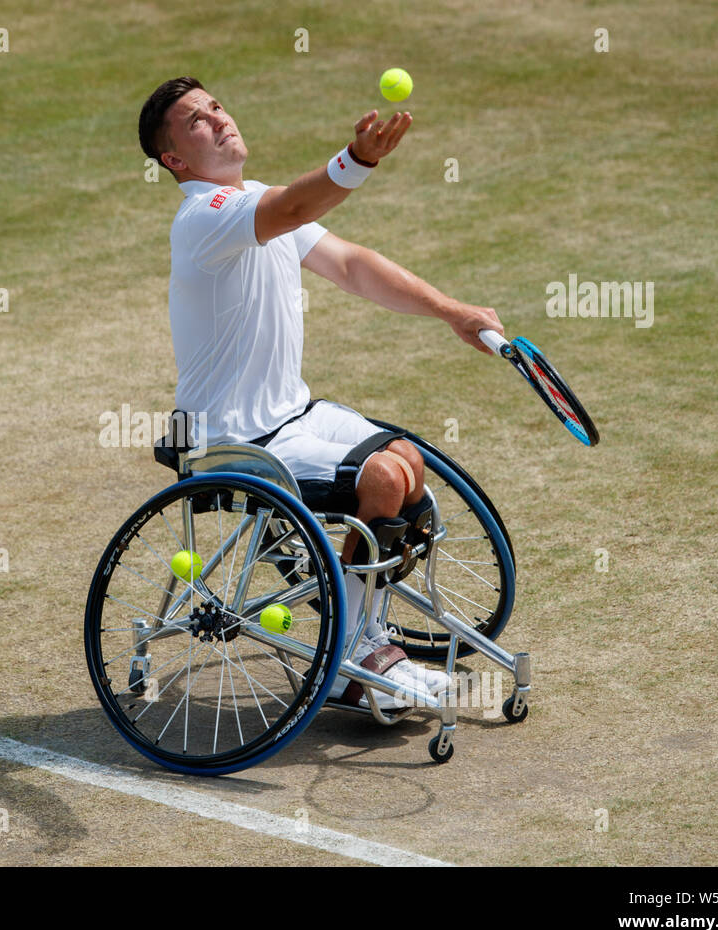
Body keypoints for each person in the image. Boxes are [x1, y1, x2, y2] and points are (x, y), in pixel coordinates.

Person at [138, 76, 505, 710]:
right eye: (197, 120)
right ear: (174, 160)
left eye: (217, 105)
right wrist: (356, 160)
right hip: (232, 441)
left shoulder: (255, 201)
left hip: (293, 416)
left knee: (407, 463)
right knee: (384, 480)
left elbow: (353, 265)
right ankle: (350, 659)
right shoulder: (206, 217)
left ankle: (364, 640)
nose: (219, 119)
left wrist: (452, 311)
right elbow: (294, 208)